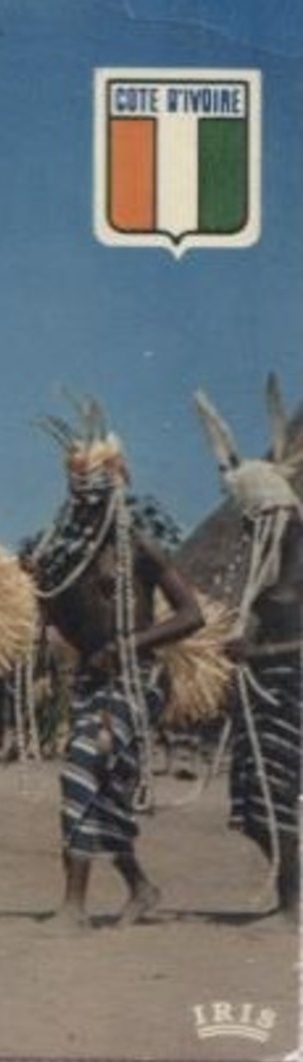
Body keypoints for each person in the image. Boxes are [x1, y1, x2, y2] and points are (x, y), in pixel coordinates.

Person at [28, 400, 203, 931]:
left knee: (83, 762)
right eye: (79, 502)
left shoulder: (139, 548)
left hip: (140, 677)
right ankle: (141, 887)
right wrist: (32, 598)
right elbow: (55, 624)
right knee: (102, 790)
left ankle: (73, 908)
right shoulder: (60, 559)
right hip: (90, 683)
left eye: (96, 501)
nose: (86, 511)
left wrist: (128, 644)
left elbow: (191, 614)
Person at [194, 381, 302, 924]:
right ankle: (291, 886)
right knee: (252, 805)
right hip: (261, 691)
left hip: (292, 691)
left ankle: (292, 903)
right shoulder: (263, 578)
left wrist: (264, 650)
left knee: (279, 793)